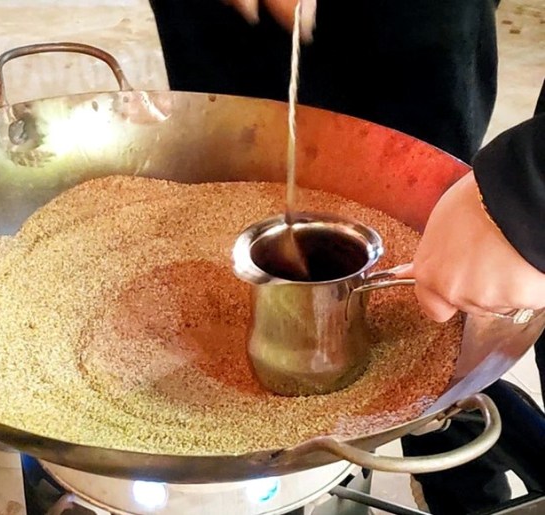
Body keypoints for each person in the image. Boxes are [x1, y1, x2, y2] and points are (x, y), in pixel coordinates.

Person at [148, 1, 545, 512]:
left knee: (446, 280)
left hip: (411, 31)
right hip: (227, 23)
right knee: (238, 152)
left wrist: (528, 191)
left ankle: (457, 478)